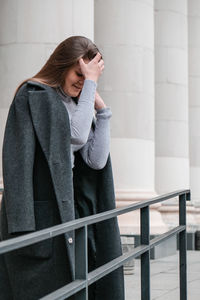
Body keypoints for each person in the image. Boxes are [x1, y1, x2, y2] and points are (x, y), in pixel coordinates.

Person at [0, 36, 124, 300]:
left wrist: (103, 113)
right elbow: (73, 136)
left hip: (73, 212)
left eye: (88, 76)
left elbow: (95, 160)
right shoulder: (35, 95)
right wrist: (22, 230)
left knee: (73, 290)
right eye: (79, 73)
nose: (82, 81)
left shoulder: (77, 103)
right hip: (43, 218)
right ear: (62, 65)